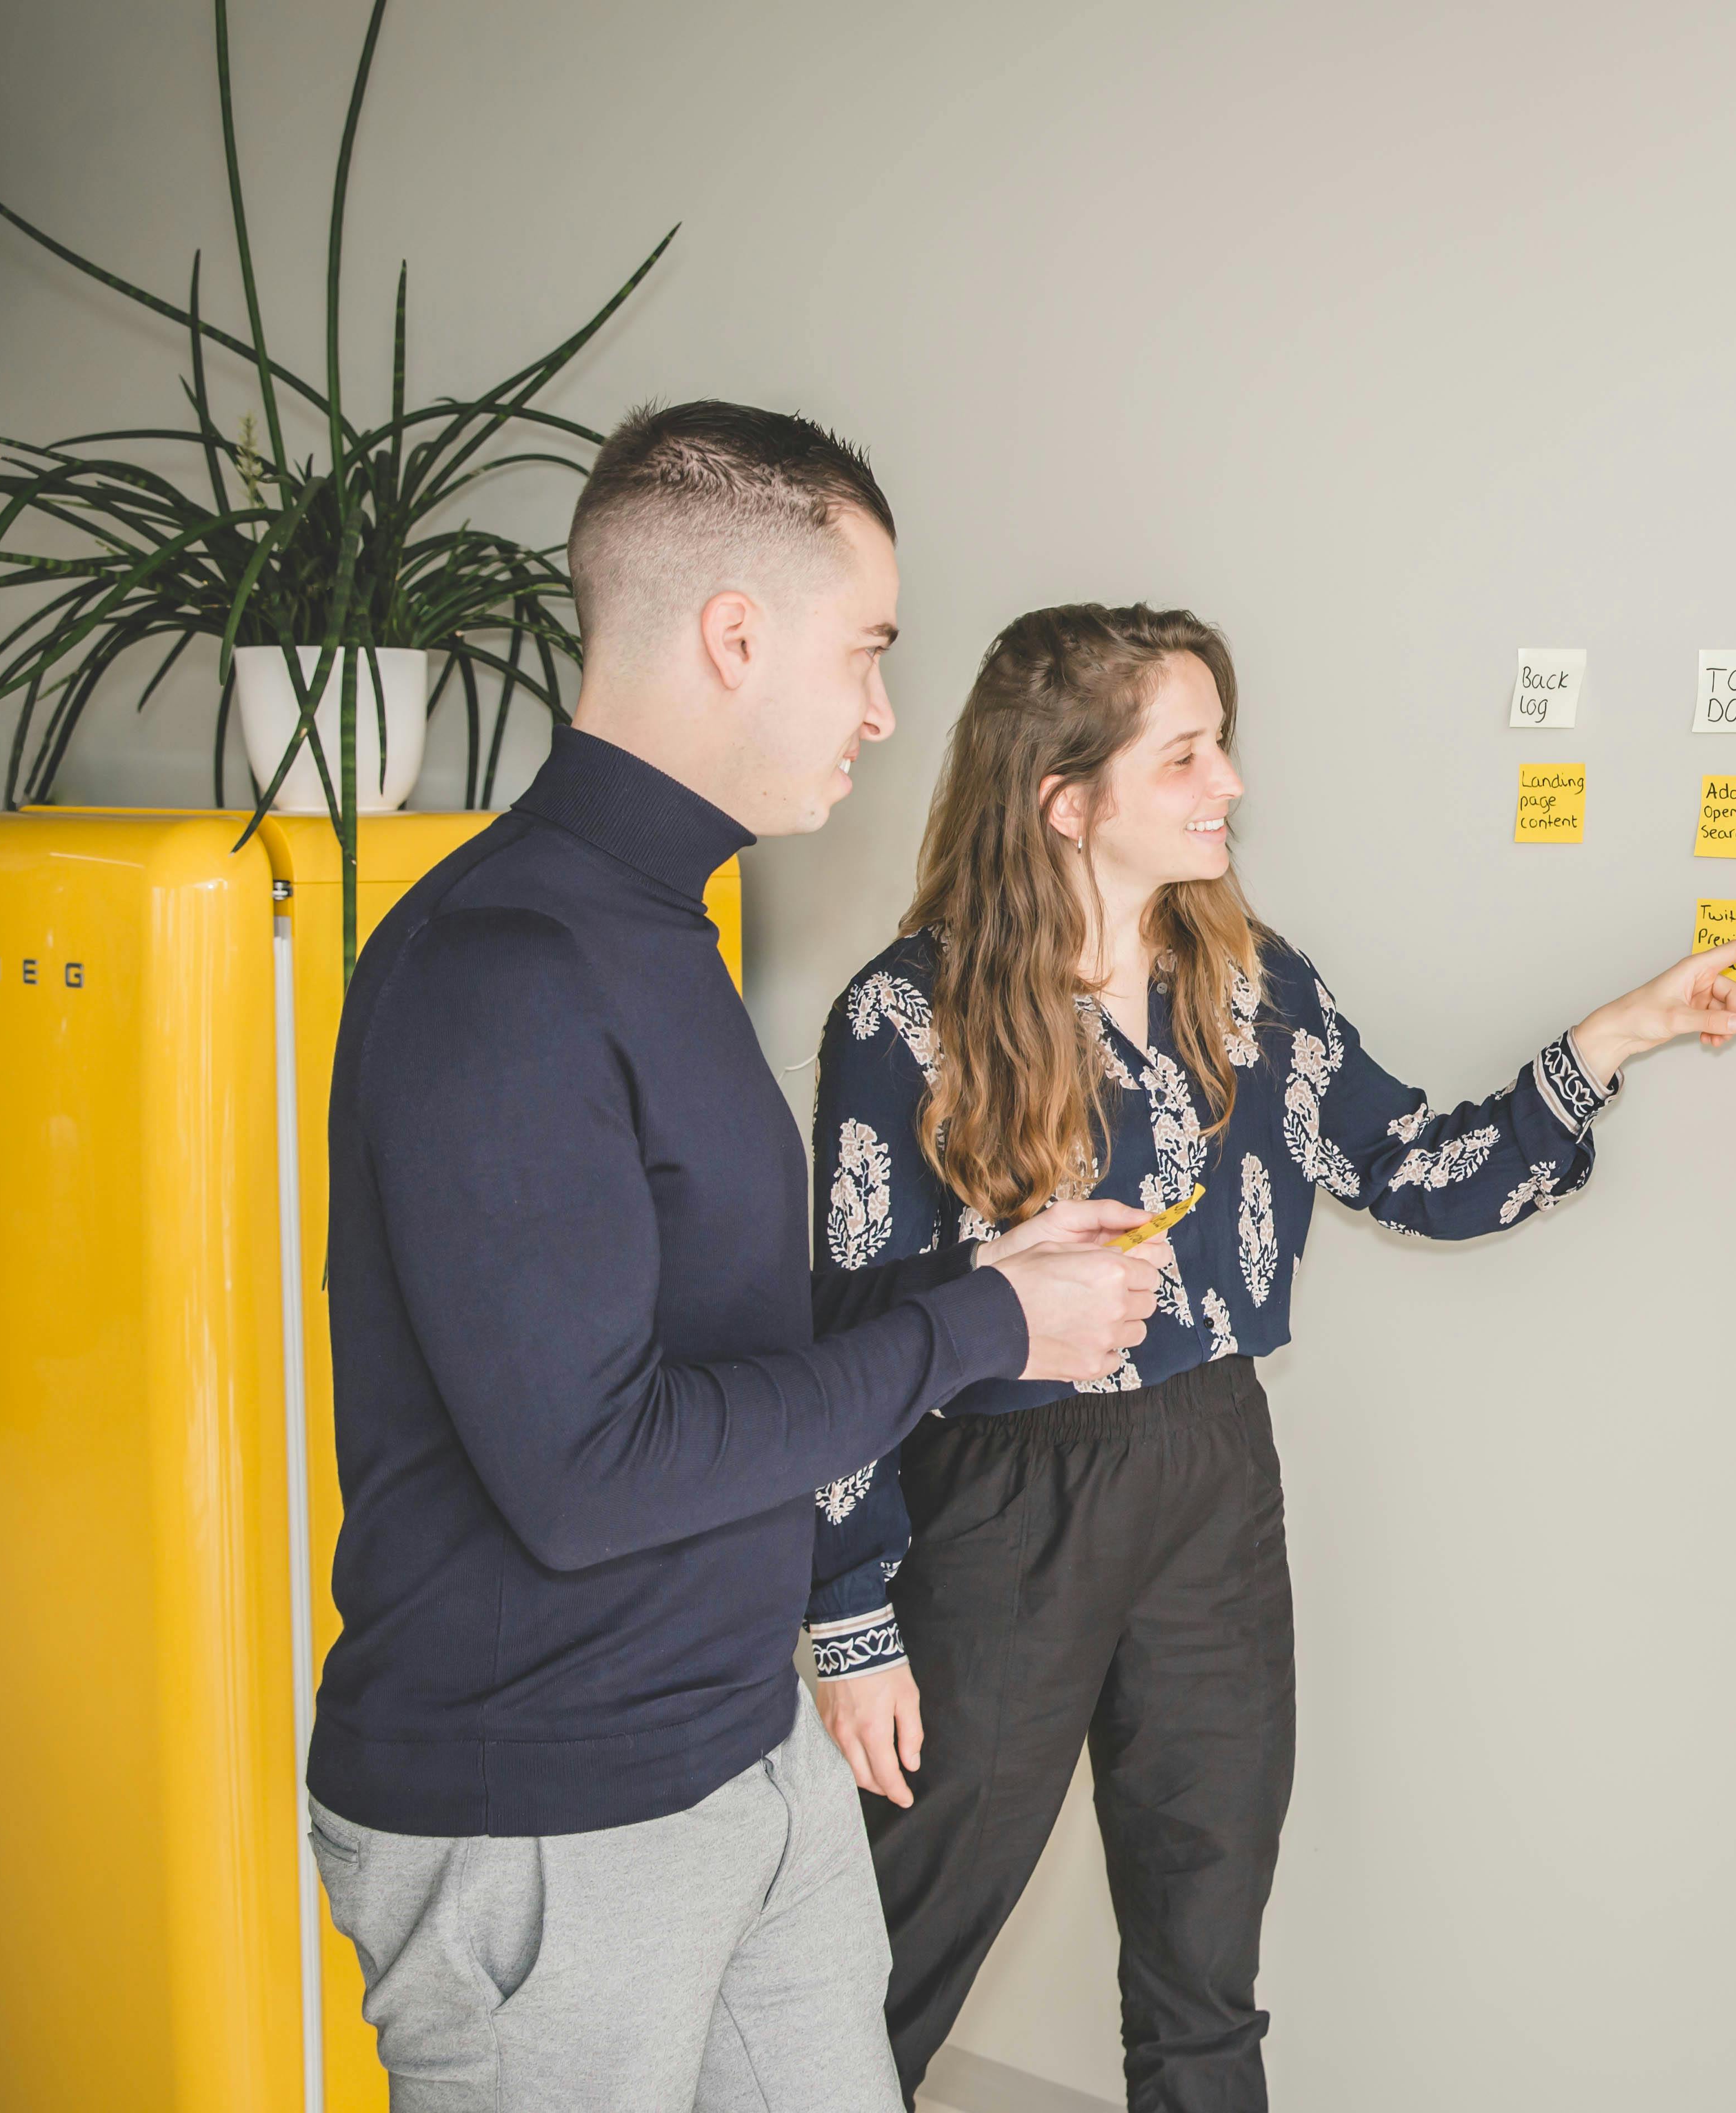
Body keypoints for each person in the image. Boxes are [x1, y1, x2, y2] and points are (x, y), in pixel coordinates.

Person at [305, 402, 1171, 2113]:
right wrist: (983, 1329)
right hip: (542, 1812)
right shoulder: (502, 965)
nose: (879, 712)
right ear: (732, 636)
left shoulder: (655, 926)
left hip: (735, 1743)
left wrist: (970, 1285)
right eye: (865, 654)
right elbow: (586, 1472)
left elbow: (720, 1333)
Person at [801, 601, 1736, 2107]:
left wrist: (1610, 1042)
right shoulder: (904, 1017)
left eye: (1223, 747)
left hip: (1210, 1475)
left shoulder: (1253, 988)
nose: (1228, 786)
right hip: (996, 1501)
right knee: (893, 1952)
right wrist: (854, 1625)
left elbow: (1423, 1172)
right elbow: (853, 1335)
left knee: (1206, 1976)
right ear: (1064, 798)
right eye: (1185, 754)